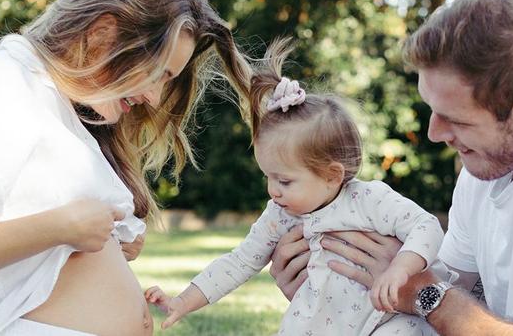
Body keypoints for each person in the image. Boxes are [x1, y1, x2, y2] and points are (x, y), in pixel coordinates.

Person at [270, 0, 513, 335]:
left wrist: (423, 294)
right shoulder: (491, 157)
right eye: (433, 111)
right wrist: (331, 288)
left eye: (456, 118)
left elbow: (436, 296)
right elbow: (455, 293)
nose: (434, 133)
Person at [0, 0, 256, 335]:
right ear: (103, 33)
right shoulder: (0, 85)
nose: (154, 97)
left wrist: (106, 242)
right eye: (158, 74)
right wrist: (61, 227)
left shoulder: (63, 106)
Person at [144, 40, 453, 335]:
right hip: (315, 325)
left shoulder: (368, 199)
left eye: (284, 180)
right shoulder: (280, 214)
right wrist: (183, 301)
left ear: (332, 175)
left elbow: (426, 227)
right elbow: (240, 261)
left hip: (383, 321)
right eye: (268, 177)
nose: (272, 191)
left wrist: (400, 268)